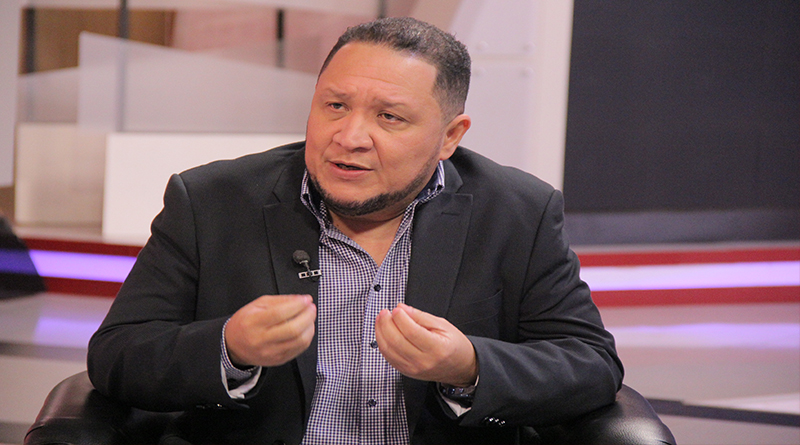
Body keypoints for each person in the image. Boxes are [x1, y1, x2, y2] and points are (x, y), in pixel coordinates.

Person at [87, 16, 623, 445]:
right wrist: (228, 347)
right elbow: (117, 355)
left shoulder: (517, 212)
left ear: (449, 136)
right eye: (335, 106)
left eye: (390, 117)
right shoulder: (211, 201)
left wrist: (469, 366)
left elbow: (590, 363)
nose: (350, 136)